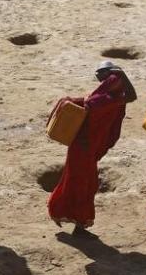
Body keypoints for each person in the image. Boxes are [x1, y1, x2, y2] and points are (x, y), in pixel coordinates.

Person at [47, 62, 137, 237]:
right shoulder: (107, 101)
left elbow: (131, 96)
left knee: (77, 182)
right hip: (84, 149)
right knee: (83, 186)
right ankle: (75, 222)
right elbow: (132, 96)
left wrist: (121, 74)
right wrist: (122, 74)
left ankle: (66, 216)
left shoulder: (97, 98)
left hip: (83, 148)